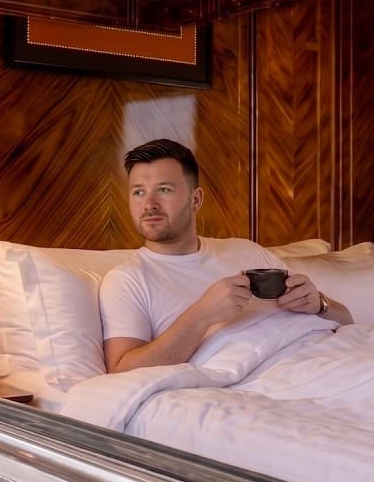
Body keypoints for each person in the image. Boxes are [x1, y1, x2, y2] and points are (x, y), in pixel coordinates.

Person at [100, 138, 352, 373]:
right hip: (266, 377)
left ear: (195, 200)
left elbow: (346, 319)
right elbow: (122, 371)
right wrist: (202, 314)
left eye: (164, 190)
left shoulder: (246, 250)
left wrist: (319, 304)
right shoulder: (127, 280)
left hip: (329, 356)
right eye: (138, 192)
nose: (149, 204)